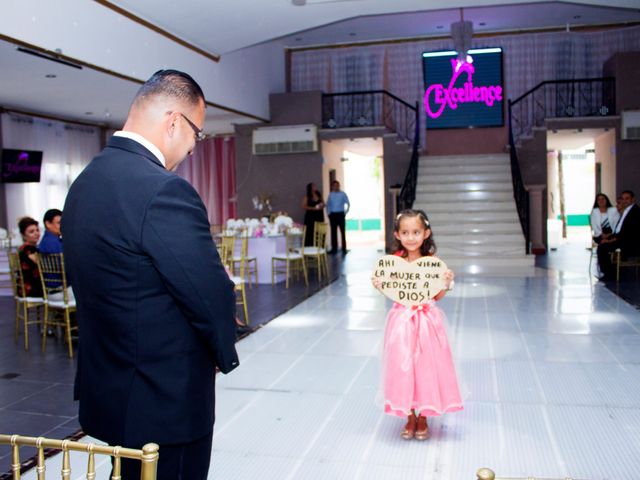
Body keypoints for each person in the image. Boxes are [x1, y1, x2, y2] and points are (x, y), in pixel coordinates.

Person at [62, 70, 239, 480]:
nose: (194, 147)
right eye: (198, 133)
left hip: (111, 387)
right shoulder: (162, 189)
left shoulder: (85, 183)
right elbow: (207, 292)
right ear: (174, 121)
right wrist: (220, 347)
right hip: (164, 399)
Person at [371, 209, 461, 440]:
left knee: (426, 368)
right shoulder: (395, 263)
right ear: (397, 235)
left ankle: (424, 416)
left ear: (426, 233)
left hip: (427, 322)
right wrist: (380, 284)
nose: (411, 237)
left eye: (416, 232)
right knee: (403, 368)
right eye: (405, 232)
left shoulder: (433, 264)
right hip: (401, 322)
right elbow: (393, 292)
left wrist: (446, 283)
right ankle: (409, 415)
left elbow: (437, 296)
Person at [597, 190, 640, 279]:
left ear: (633, 199)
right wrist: (610, 238)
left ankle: (609, 275)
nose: (624, 201)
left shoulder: (635, 212)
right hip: (621, 239)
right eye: (623, 199)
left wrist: (611, 240)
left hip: (629, 242)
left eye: (627, 198)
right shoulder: (626, 211)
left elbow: (629, 232)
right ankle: (610, 273)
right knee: (602, 243)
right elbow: (619, 230)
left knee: (603, 248)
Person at [16, 216, 43, 298]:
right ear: (23, 235)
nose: (36, 233)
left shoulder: (25, 248)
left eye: (37, 230)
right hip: (30, 288)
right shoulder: (28, 249)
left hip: (26, 287)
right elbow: (41, 265)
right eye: (31, 232)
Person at [326, 180, 350, 254]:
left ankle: (344, 248)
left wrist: (345, 213)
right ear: (332, 187)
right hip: (332, 215)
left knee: (342, 231)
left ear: (339, 186)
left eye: (337, 185)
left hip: (340, 214)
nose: (335, 187)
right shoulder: (330, 194)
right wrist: (328, 213)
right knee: (333, 232)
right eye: (334, 186)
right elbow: (328, 204)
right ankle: (334, 249)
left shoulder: (343, 194)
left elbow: (348, 203)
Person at [302, 182, 324, 246]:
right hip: (310, 217)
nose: (315, 187)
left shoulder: (319, 195)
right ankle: (309, 247)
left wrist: (321, 205)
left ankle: (319, 247)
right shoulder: (307, 196)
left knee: (319, 231)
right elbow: (304, 206)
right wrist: (313, 208)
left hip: (319, 215)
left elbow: (323, 203)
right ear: (310, 188)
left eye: (315, 185)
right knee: (310, 231)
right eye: (313, 186)